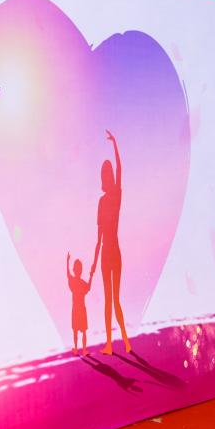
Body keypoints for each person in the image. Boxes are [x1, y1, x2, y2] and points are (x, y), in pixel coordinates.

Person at [90, 130, 131, 354]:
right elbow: (98, 238)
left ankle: (117, 342)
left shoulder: (113, 197)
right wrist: (94, 263)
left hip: (110, 253)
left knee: (111, 300)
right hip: (110, 253)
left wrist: (115, 143)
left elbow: (120, 169)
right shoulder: (110, 198)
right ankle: (120, 342)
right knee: (113, 300)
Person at [66, 253, 94, 355]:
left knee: (76, 331)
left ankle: (77, 349)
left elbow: (68, 274)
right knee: (83, 331)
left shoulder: (74, 281)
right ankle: (84, 349)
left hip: (77, 308)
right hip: (81, 308)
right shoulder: (81, 283)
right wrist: (91, 276)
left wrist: (67, 262)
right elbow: (88, 287)